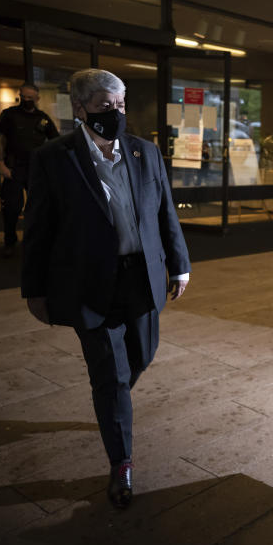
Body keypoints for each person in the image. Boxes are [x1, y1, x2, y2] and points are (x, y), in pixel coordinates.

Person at [22, 69, 191, 509]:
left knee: (141, 357)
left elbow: (164, 214)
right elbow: (38, 229)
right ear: (79, 109)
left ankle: (112, 403)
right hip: (89, 285)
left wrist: (181, 265)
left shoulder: (145, 152)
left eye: (119, 105)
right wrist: (34, 288)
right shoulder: (53, 159)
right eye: (103, 106)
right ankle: (122, 462)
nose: (114, 113)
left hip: (142, 277)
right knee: (111, 376)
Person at [0, 83, 59, 256]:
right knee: (12, 208)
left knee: (38, 208)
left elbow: (55, 141)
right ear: (19, 96)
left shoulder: (43, 118)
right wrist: (0, 163)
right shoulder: (9, 115)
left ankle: (35, 242)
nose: (26, 100)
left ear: (37, 99)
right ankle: (10, 241)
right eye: (23, 97)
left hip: (36, 169)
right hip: (13, 168)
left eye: (30, 98)